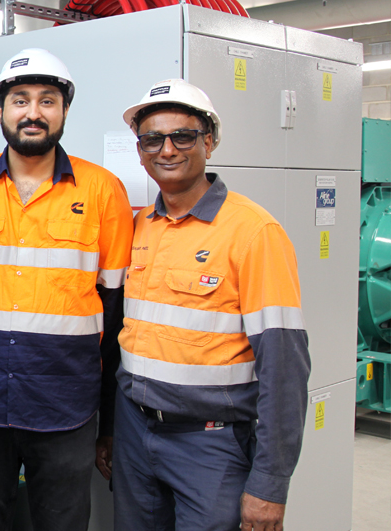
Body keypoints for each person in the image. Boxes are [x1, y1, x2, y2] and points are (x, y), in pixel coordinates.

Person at [0, 48, 134, 531]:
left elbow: (118, 315)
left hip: (66, 405)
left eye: (47, 101)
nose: (33, 113)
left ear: (65, 110)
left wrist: (110, 421)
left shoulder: (103, 190)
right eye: (20, 100)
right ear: (0, 109)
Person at [113, 78, 310, 531]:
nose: (167, 150)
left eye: (182, 136)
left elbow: (285, 366)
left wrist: (270, 483)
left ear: (210, 141)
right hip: (135, 432)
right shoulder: (139, 226)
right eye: (152, 139)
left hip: (210, 445)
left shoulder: (253, 232)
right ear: (139, 151)